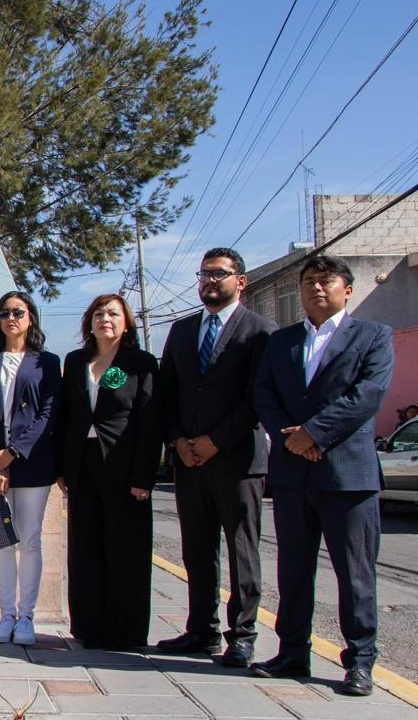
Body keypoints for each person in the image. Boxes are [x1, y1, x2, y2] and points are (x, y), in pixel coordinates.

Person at [251, 256, 393, 697]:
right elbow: (264, 393)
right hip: (293, 476)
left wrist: (313, 433)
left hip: (347, 476)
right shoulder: (282, 341)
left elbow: (367, 395)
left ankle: (360, 661)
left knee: (355, 575)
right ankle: (292, 652)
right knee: (293, 570)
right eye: (308, 281)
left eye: (325, 280)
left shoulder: (373, 335)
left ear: (346, 290)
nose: (315, 287)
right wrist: (290, 438)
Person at [155, 249, 276, 666]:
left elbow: (257, 396)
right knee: (197, 549)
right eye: (204, 273)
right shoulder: (182, 330)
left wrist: (216, 441)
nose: (209, 280)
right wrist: (177, 440)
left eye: (219, 273)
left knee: (242, 550)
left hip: (237, 460)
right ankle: (200, 630)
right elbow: (167, 391)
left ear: (240, 281)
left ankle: (241, 635)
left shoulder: (260, 331)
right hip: (189, 461)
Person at [55, 294, 159, 650]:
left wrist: (143, 477)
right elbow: (66, 416)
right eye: (99, 313)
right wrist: (63, 468)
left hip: (123, 465)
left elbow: (150, 423)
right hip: (82, 464)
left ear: (126, 322)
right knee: (86, 546)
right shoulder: (76, 361)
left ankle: (124, 630)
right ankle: (89, 626)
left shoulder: (140, 363)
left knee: (124, 548)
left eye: (113, 313)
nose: (105, 319)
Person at [0, 291, 60, 647]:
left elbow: (48, 414)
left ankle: (26, 617)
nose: (11, 318)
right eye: (4, 312)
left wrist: (13, 453)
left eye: (18, 312)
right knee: (1, 541)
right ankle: (5, 615)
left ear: (30, 317)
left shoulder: (47, 362)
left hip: (33, 466)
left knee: (30, 540)